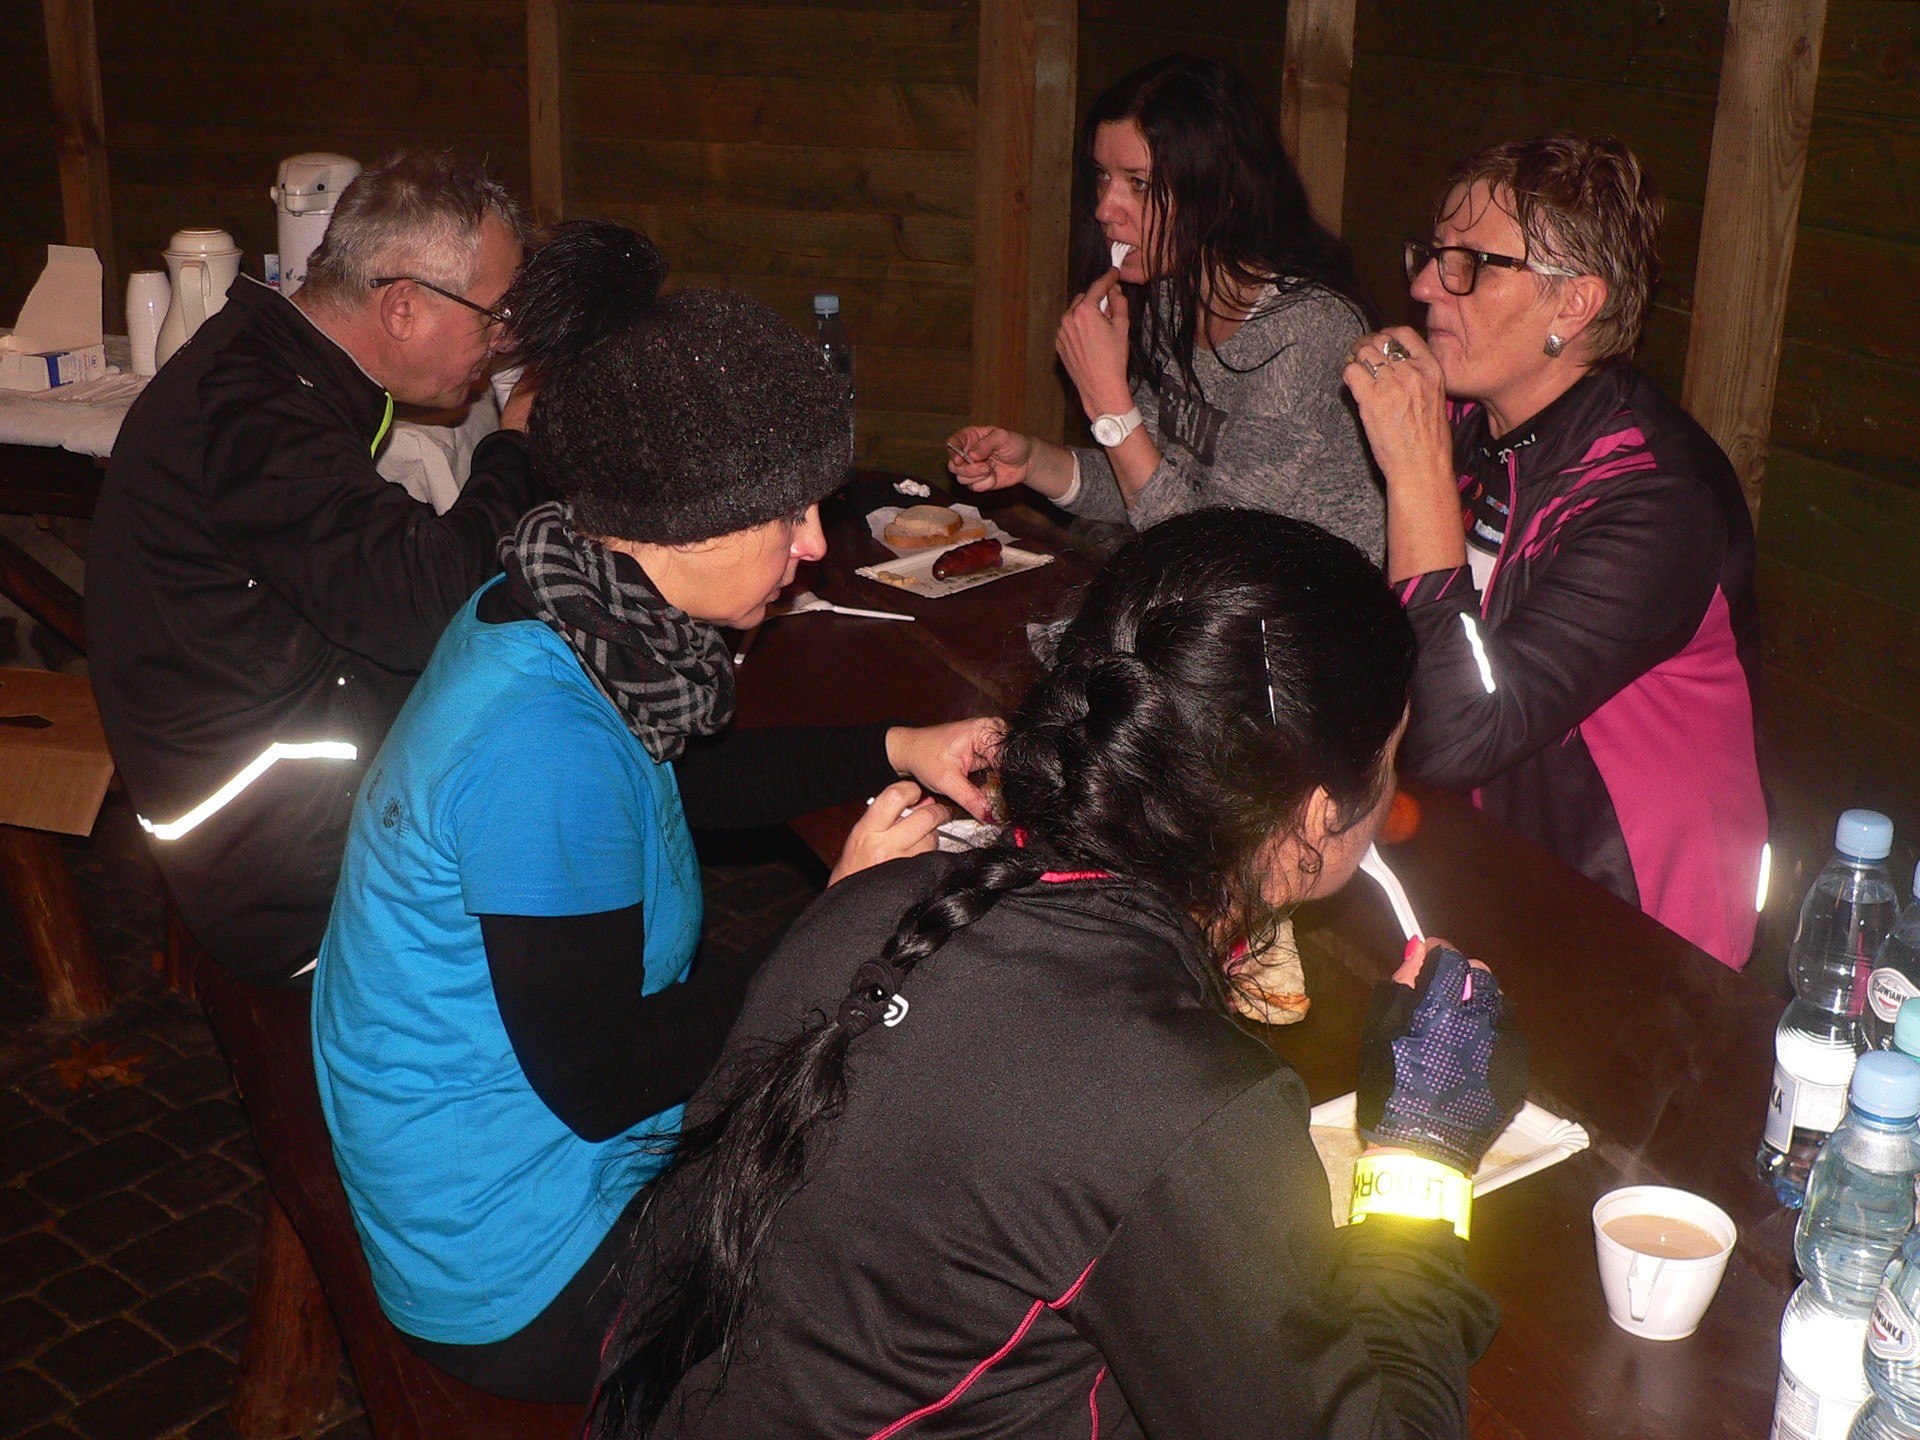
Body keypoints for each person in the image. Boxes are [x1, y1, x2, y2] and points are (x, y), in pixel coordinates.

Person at [591, 510, 1527, 1438]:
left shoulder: (871, 902)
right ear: (1318, 818)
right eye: (1390, 762)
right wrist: (1423, 1154)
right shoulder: (1180, 1108)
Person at [311, 282, 1002, 1404]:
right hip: (529, 1263)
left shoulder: (565, 603)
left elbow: (679, 785)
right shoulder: (543, 740)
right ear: (685, 521)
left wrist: (899, 744)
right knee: (936, 1217)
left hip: (509, 1170)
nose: (814, 544)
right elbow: (603, 1081)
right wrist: (837, 920)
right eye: (788, 515)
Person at [86, 150, 544, 985]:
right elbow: (432, 605)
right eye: (495, 316)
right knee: (582, 827)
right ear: (403, 306)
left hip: (294, 795)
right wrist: (513, 445)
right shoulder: (255, 412)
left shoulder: (272, 367)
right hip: (283, 872)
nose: (504, 341)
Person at [1342, 134, 1767, 970]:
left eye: (1470, 264)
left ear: (1573, 306)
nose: (1425, 285)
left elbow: (1459, 734)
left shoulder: (1656, 499)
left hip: (1640, 932)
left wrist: (1417, 471)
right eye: (1432, 253)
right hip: (1499, 867)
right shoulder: (1474, 423)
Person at [947, 55, 1383, 561]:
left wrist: (1107, 401)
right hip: (1209, 585)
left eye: (1139, 183)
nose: (1104, 209)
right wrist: (1033, 463)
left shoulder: (1308, 329)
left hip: (1294, 602)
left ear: (1221, 191)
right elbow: (1148, 485)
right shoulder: (1172, 299)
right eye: (1102, 176)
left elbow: (1214, 551)